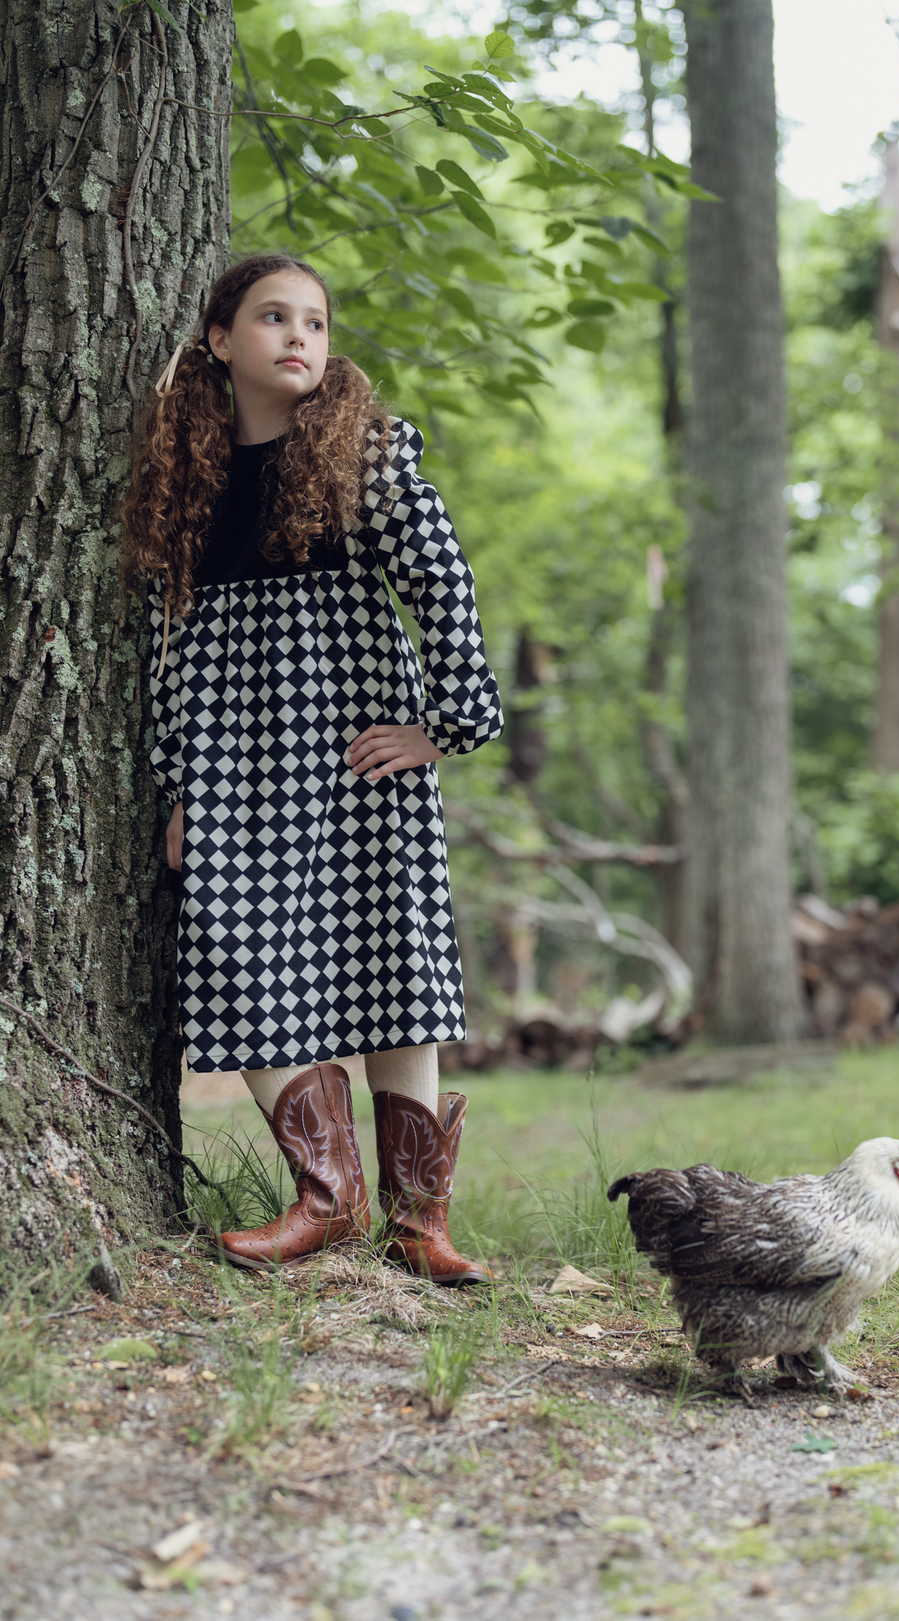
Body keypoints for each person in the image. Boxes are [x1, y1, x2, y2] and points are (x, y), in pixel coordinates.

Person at [121, 252, 504, 1282]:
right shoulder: (188, 478)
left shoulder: (361, 458)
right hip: (234, 760)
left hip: (355, 745)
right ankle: (330, 1195)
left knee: (395, 965)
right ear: (218, 339)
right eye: (272, 317)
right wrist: (177, 787)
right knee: (238, 958)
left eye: (317, 323)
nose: (300, 337)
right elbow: (169, 648)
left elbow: (445, 584)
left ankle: (420, 1224)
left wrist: (447, 724)